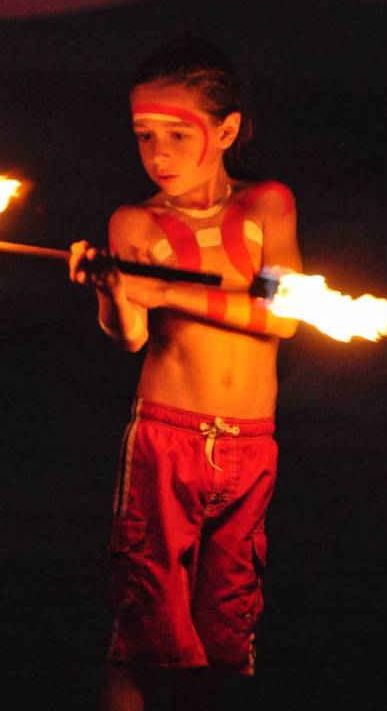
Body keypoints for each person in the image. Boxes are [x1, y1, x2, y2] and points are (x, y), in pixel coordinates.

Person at [69, 36, 302, 710]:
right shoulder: (134, 221)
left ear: (227, 129)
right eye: (145, 136)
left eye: (178, 133)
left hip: (252, 443)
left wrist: (165, 291)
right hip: (165, 438)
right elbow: (132, 337)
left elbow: (282, 318)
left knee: (227, 634)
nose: (159, 153)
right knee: (142, 627)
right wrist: (110, 288)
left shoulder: (267, 207)